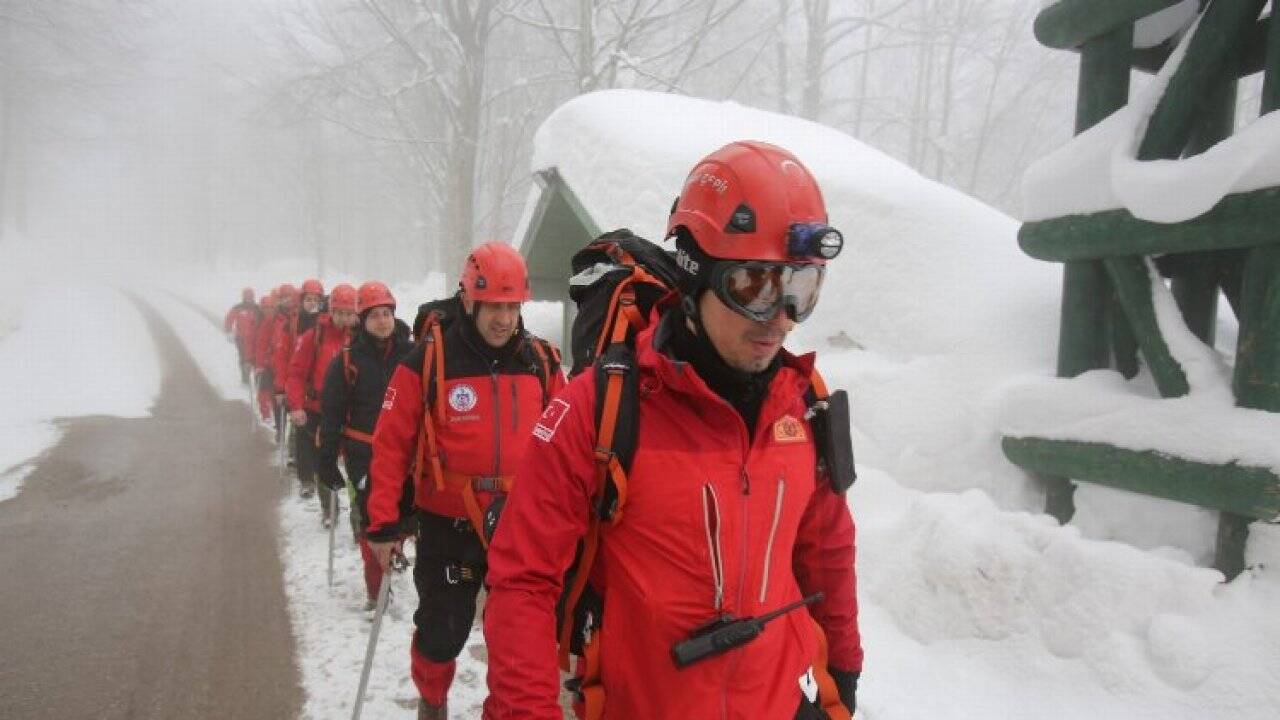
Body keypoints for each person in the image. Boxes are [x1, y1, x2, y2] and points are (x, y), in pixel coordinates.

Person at [482, 141, 863, 719]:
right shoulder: (602, 407)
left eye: (800, 289)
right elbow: (524, 581)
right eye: (754, 286)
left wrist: (845, 669)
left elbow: (826, 547)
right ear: (694, 277)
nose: (781, 316)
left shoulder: (802, 404)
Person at [366, 242, 565, 720]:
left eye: (512, 305)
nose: (503, 318)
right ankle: (432, 700)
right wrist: (383, 523)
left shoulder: (540, 361)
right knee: (442, 630)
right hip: (448, 528)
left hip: (518, 529)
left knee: (519, 641)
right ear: (469, 301)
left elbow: (566, 444)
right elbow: (391, 444)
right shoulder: (428, 360)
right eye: (493, 305)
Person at [317, 281, 412, 609]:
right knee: (374, 523)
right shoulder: (347, 360)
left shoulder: (411, 353)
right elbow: (331, 414)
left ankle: (394, 559)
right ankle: (377, 591)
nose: (383, 321)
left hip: (406, 454)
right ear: (362, 320)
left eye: (387, 314)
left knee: (401, 517)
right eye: (374, 316)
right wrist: (326, 460)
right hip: (364, 454)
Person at [288, 283, 358, 515]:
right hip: (319, 410)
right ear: (331, 310)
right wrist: (296, 406)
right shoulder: (313, 337)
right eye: (340, 313)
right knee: (323, 460)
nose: (344, 319)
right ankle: (330, 508)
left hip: (353, 411)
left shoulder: (361, 337)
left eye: (349, 313)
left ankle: (360, 519)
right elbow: (296, 374)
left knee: (356, 467)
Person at [252, 289, 280, 425]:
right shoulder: (259, 321)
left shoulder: (279, 320)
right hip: (263, 362)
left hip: (274, 363)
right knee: (263, 389)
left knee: (274, 391)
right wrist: (259, 364)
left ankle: (272, 413)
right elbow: (259, 344)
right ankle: (265, 413)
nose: (268, 310)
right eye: (266, 308)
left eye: (270, 307)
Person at [224, 287, 262, 384]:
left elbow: (264, 320)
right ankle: (245, 377)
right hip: (241, 338)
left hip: (255, 338)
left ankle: (256, 376)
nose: (249, 299)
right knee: (243, 357)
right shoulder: (237, 308)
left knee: (254, 357)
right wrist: (228, 331)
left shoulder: (257, 309)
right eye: (247, 297)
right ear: (243, 297)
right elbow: (229, 319)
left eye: (250, 297)